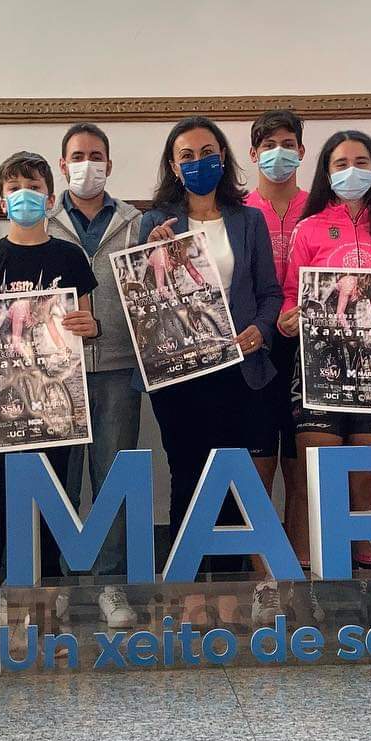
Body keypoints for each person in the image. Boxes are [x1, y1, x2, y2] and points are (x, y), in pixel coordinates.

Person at [0, 152, 99, 663]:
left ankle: (46, 618)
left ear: (50, 198)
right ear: (1, 200)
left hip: (54, 403)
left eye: (32, 186)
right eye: (13, 187)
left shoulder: (70, 258)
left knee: (49, 508)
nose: (23, 195)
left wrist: (89, 327)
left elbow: (86, 322)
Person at [138, 117, 283, 625]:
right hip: (182, 376)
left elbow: (270, 293)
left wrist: (261, 330)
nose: (198, 162)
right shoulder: (155, 223)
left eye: (207, 152)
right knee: (187, 477)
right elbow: (145, 301)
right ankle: (188, 595)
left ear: (223, 157)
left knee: (233, 481)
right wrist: (152, 254)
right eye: (187, 155)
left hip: (240, 371)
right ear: (174, 167)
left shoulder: (249, 221)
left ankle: (227, 595)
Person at [277, 131, 371, 578]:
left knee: (369, 475)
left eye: (361, 162)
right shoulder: (308, 228)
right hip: (319, 368)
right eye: (341, 164)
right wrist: (287, 319)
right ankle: (309, 581)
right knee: (314, 476)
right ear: (326, 173)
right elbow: (291, 295)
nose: (351, 171)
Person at [45, 124, 145, 616]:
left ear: (109, 163)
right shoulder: (42, 220)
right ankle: (57, 584)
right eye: (78, 156)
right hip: (54, 373)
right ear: (63, 165)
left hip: (118, 368)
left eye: (96, 155)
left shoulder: (136, 222)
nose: (88, 163)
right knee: (57, 482)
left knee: (113, 479)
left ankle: (111, 585)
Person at [245, 110, 309, 548]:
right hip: (258, 348)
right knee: (258, 459)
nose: (279, 153)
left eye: (287, 145)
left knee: (302, 460)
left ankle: (302, 561)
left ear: (301, 151)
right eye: (269, 146)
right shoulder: (239, 211)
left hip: (313, 349)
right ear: (253, 154)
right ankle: (260, 567)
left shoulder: (323, 206)